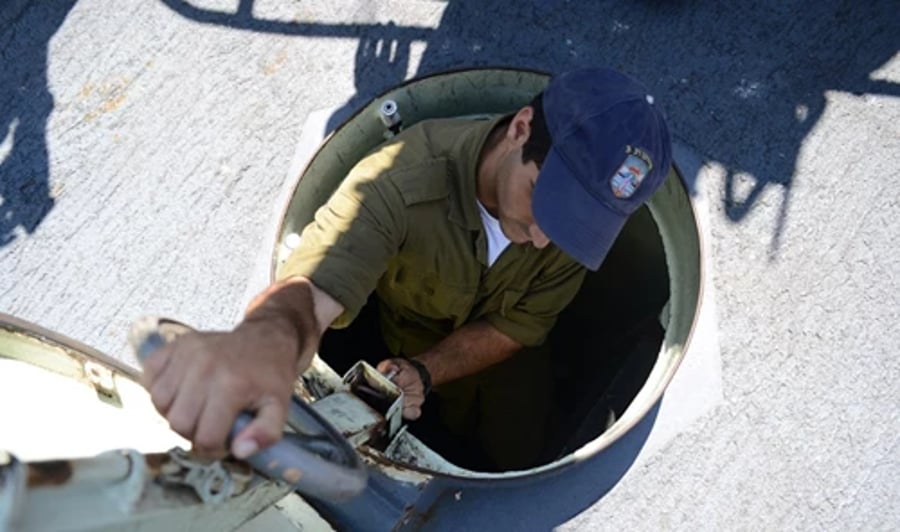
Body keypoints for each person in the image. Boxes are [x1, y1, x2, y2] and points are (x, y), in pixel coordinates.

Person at [140, 67, 672, 470]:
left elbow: (519, 326)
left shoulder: (563, 226)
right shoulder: (399, 183)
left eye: (573, 224)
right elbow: (316, 285)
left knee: (519, 458)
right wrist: (262, 346)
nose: (541, 238)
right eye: (543, 201)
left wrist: (426, 371)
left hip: (517, 372)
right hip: (404, 336)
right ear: (521, 128)